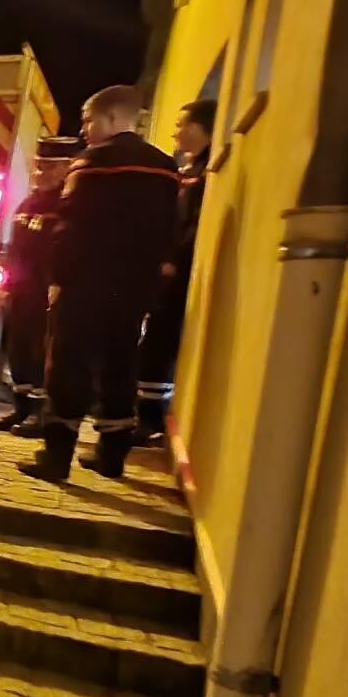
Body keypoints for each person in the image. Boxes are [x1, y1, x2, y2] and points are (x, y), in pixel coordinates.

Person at [19, 85, 180, 481]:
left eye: (89, 120)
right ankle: (111, 457)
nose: (85, 130)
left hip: (87, 285)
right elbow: (166, 230)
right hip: (133, 288)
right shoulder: (164, 167)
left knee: (68, 366)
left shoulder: (92, 164)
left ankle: (56, 458)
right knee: (120, 365)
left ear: (112, 118)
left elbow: (70, 227)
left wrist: (58, 277)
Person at [0, 136, 82, 436]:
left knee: (43, 350)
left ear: (67, 169)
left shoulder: (68, 204)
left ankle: (40, 415)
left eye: (50, 167)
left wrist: (57, 281)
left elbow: (66, 248)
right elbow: (15, 247)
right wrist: (6, 283)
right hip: (22, 288)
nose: (41, 173)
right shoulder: (29, 203)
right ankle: (21, 407)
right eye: (39, 167)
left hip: (47, 289)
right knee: (19, 347)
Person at [135, 99, 214, 447]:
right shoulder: (191, 170)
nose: (175, 131)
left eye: (182, 124)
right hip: (168, 273)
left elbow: (193, 226)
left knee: (160, 346)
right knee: (153, 344)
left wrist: (173, 260)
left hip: (177, 276)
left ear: (201, 128)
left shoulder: (204, 174)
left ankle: (151, 421)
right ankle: (146, 417)